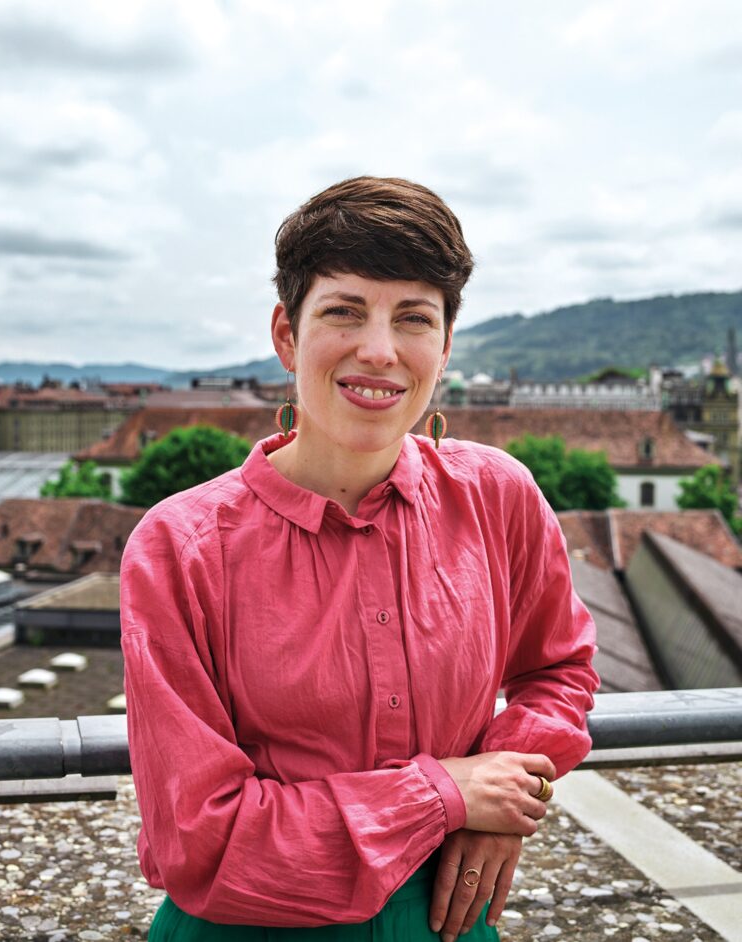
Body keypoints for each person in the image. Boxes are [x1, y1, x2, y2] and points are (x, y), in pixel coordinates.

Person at [120, 176, 599, 942]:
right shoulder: (179, 547)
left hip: (449, 921)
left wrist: (508, 790)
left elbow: (559, 670)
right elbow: (199, 841)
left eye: (414, 318)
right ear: (287, 334)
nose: (379, 350)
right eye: (344, 311)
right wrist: (445, 796)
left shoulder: (497, 496)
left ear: (445, 346)